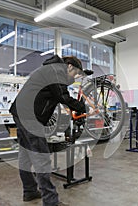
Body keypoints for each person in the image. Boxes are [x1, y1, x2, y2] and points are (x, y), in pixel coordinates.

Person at [9, 55, 87, 206]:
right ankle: (50, 201)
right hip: (30, 117)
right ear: (69, 66)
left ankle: (30, 191)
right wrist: (81, 107)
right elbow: (62, 95)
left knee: (25, 155)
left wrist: (78, 75)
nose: (74, 77)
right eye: (75, 73)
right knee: (41, 158)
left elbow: (58, 90)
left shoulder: (50, 70)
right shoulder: (56, 70)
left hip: (20, 113)